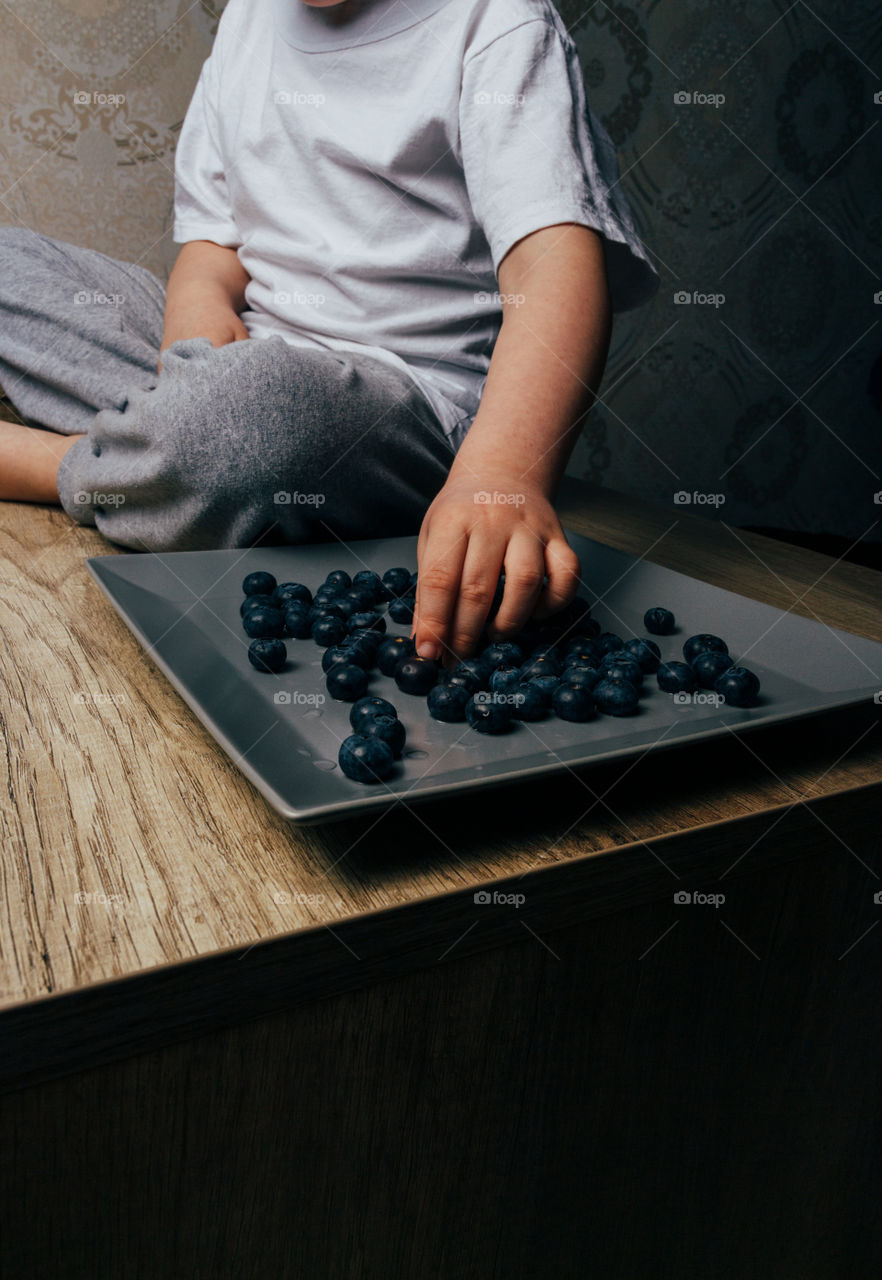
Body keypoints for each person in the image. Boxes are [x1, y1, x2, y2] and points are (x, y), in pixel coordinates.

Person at [0, 0, 658, 663]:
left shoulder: (497, 22)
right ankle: (165, 448)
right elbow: (212, 246)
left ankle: (64, 461)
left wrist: (502, 477)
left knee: (249, 414)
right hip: (245, 369)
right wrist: (191, 334)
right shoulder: (246, 21)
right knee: (14, 268)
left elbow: (553, 272)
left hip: (401, 414)